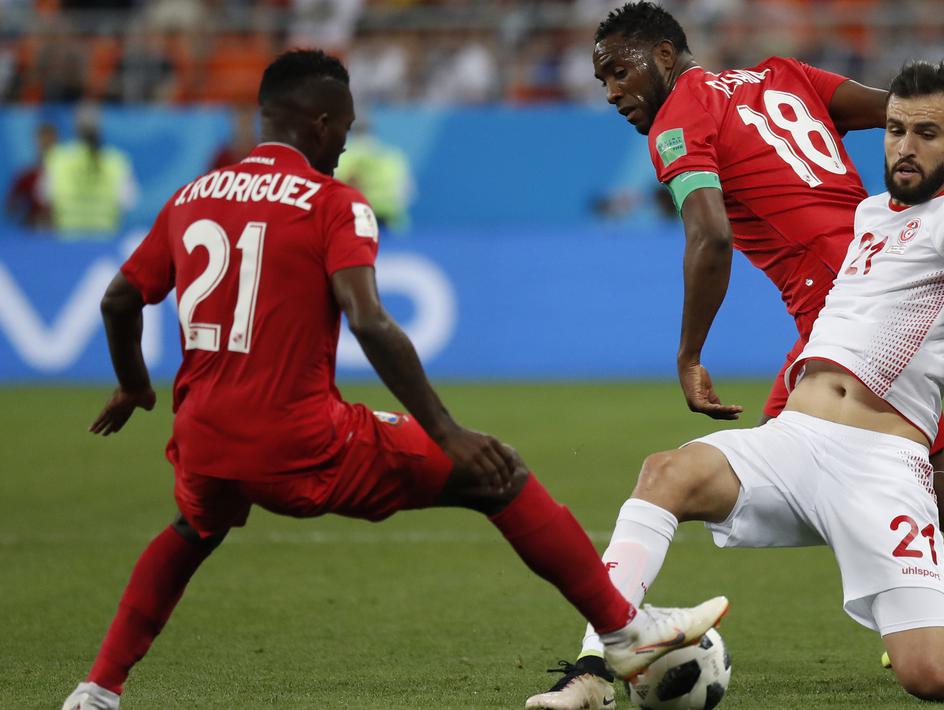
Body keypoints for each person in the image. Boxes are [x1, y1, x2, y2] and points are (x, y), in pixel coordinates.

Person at [526, 3, 944, 706]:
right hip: (866, 268)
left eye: (620, 71)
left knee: (921, 488)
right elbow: (904, 112)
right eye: (601, 78)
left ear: (666, 58)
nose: (611, 90)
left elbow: (710, 236)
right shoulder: (780, 75)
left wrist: (688, 354)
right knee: (921, 490)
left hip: (861, 303)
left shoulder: (681, 116)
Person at [60, 49, 727, 710]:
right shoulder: (331, 203)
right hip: (299, 441)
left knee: (192, 530)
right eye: (344, 131)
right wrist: (446, 431)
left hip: (204, 441)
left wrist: (134, 384)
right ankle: (626, 629)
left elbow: (120, 300)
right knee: (498, 472)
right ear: (319, 123)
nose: (345, 150)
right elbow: (371, 322)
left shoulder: (191, 197)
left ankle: (97, 691)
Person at [43, 106, 138, 238]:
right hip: (105, 239)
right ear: (100, 128)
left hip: (67, 238)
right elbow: (127, 202)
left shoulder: (58, 158)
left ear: (75, 128)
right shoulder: (116, 160)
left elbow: (45, 199)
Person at [4, 121, 57, 229]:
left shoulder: (67, 175)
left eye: (49, 139)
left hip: (60, 227)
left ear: (55, 140)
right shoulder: (27, 176)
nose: (45, 143)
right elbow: (10, 207)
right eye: (42, 139)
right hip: (34, 228)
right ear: (35, 142)